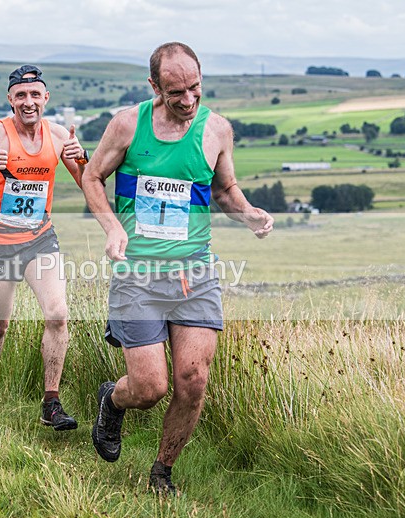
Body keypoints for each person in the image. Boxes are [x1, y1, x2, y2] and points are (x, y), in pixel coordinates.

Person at [82, 42, 274, 495]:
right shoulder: (128, 125)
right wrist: (112, 227)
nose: (187, 101)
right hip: (139, 276)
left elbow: (224, 191)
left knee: (193, 381)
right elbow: (92, 177)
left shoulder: (217, 131)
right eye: (175, 93)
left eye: (195, 89)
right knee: (149, 388)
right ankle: (113, 398)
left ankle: (161, 473)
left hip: (195, 272)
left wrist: (248, 214)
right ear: (154, 87)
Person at [0, 65, 88, 430]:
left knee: (57, 313)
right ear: (10, 99)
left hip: (40, 239)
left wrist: (82, 158)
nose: (28, 103)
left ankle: (51, 402)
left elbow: (89, 184)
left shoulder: (60, 135)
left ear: (46, 98)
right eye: (20, 96)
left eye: (35, 95)